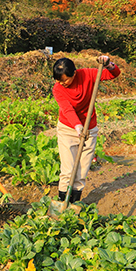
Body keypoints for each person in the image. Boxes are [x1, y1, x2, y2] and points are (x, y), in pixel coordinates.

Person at [52, 54, 121, 204]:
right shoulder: (58, 89)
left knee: (82, 170)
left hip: (89, 127)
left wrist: (108, 64)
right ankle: (62, 202)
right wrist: (77, 126)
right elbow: (67, 110)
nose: (60, 83)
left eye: (64, 80)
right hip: (68, 128)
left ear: (74, 74)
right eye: (58, 80)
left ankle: (75, 203)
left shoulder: (87, 74)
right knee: (68, 169)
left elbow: (114, 74)